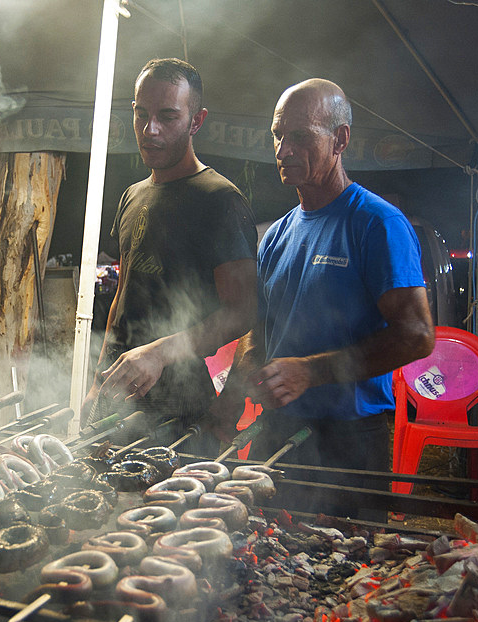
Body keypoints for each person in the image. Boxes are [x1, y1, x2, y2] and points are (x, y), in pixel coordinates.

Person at [209, 78, 435, 519]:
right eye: (277, 136)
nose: (282, 150)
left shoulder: (376, 224)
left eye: (299, 136)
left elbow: (416, 336)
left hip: (349, 440)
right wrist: (232, 395)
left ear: (340, 139)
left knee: (345, 568)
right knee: (269, 558)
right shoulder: (277, 234)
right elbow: (262, 326)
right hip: (278, 428)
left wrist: (310, 372)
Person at [83, 58, 258, 438]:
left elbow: (243, 311)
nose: (151, 130)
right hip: (118, 397)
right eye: (141, 114)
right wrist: (98, 381)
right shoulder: (133, 195)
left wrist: (160, 352)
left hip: (179, 407)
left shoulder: (221, 201)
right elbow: (122, 298)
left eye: (168, 116)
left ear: (196, 120)